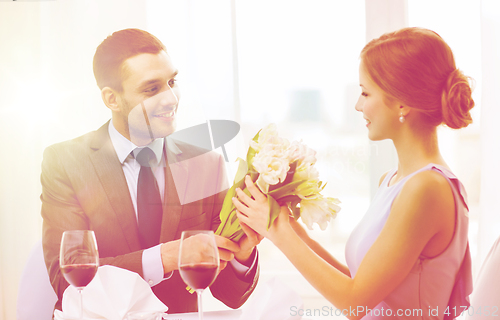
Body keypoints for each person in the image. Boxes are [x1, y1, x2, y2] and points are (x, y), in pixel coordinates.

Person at [233, 27, 474, 319]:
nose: (358, 105)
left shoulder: (426, 188)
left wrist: (278, 232)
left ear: (401, 102)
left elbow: (355, 304)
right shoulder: (395, 181)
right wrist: (292, 230)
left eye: (365, 92)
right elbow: (365, 287)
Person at [41, 28, 260, 313]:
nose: (171, 98)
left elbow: (228, 295)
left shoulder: (206, 164)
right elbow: (66, 281)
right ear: (112, 99)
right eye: (152, 89)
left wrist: (242, 256)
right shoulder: (65, 162)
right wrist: (166, 257)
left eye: (172, 81)